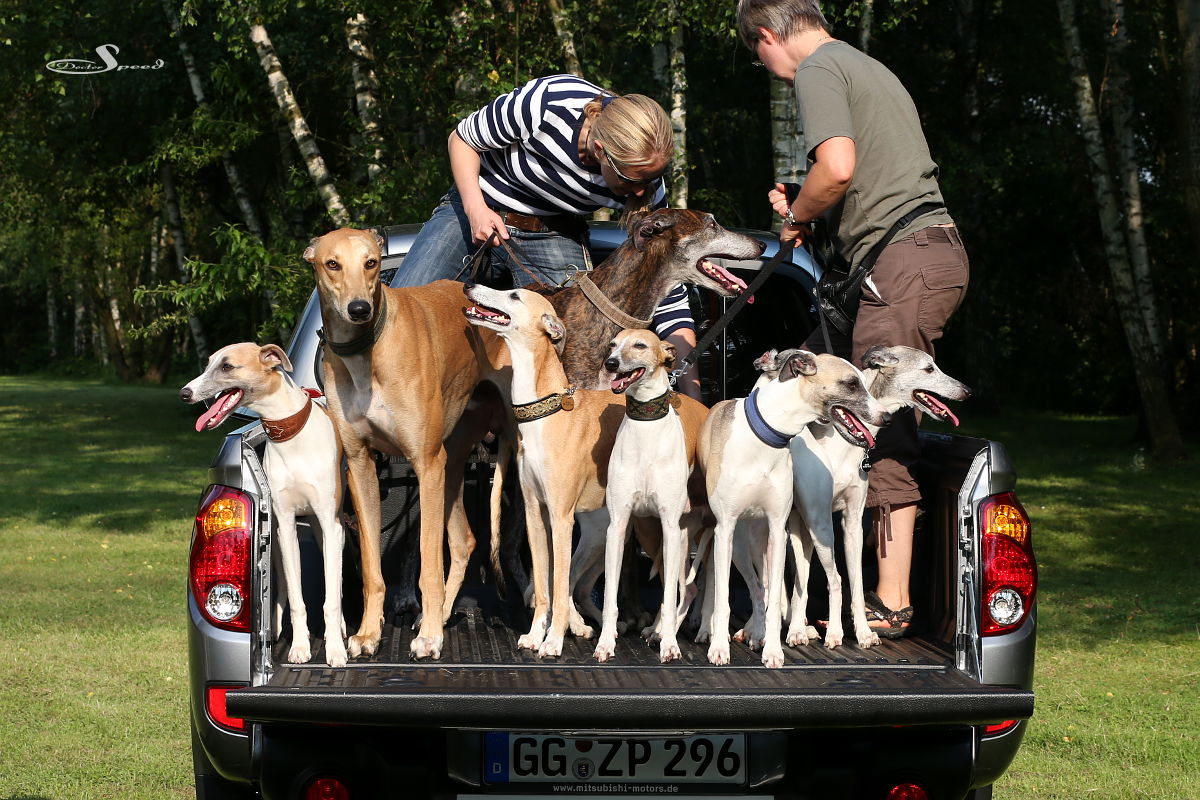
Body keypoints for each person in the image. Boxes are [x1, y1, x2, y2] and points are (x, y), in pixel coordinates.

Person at [736, 0, 970, 638]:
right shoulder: (862, 64)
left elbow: (836, 170)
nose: (766, 66)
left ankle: (889, 600)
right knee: (801, 383)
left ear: (766, 36)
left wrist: (797, 215)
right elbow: (858, 179)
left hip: (904, 260)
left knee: (877, 415)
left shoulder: (818, 68)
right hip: (909, 255)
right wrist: (811, 204)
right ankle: (780, 582)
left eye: (758, 56)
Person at [394, 73, 701, 399]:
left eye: (652, 178)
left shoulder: (645, 184)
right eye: (631, 180)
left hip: (553, 230)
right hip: (476, 204)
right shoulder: (549, 102)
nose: (641, 191)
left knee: (576, 343)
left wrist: (693, 399)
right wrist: (476, 209)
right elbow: (462, 138)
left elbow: (664, 289)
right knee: (401, 314)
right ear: (600, 151)